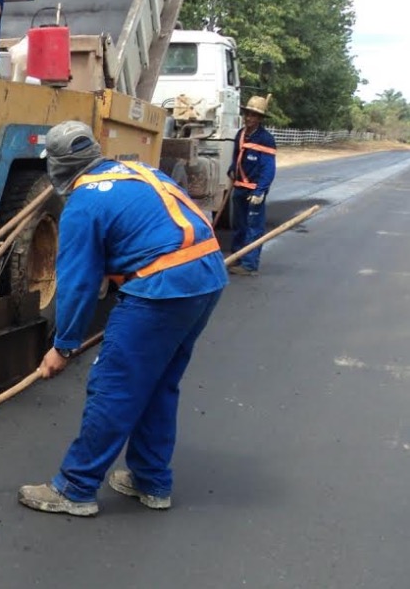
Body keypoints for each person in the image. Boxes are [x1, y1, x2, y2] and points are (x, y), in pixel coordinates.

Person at [17, 120, 228, 517]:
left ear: (57, 166)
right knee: (158, 383)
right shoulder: (137, 169)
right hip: (206, 276)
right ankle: (151, 481)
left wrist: (63, 347)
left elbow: (77, 284)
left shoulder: (83, 204)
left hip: (163, 289)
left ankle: (75, 488)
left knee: (114, 385)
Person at [227, 95, 277, 276]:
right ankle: (237, 257)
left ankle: (249, 265)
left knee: (253, 227)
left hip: (254, 191)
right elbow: (236, 157)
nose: (249, 118)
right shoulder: (240, 134)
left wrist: (260, 191)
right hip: (239, 187)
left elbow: (268, 168)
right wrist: (232, 169)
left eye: (254, 115)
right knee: (239, 225)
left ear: (260, 119)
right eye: (247, 114)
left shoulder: (266, 139)